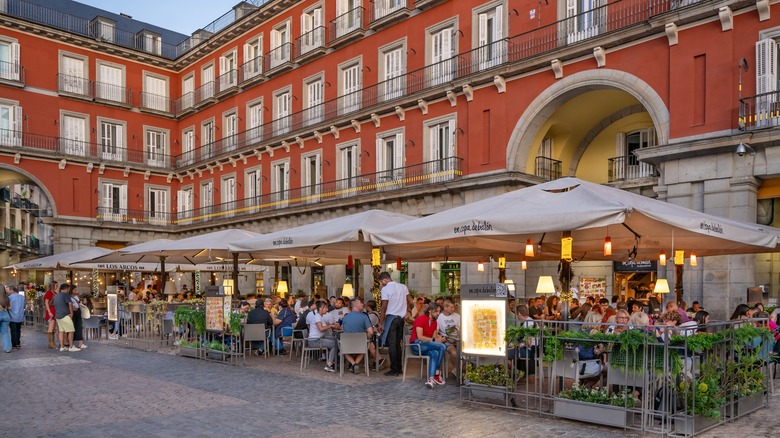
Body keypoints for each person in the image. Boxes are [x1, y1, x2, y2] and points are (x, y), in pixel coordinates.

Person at [378, 271, 412, 377]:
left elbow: (383, 307)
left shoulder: (385, 289)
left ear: (384, 280)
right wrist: (409, 310)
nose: (381, 284)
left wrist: (380, 323)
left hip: (391, 319)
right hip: (401, 319)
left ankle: (394, 369)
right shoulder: (403, 286)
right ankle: (399, 368)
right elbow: (411, 301)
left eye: (381, 282)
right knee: (398, 344)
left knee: (392, 345)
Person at [410, 302, 447, 389]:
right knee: (442, 347)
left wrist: (440, 338)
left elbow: (434, 337)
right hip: (416, 345)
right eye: (436, 311)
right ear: (430, 311)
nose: (438, 313)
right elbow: (420, 337)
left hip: (427, 345)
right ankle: (437, 374)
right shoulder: (421, 319)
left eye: (439, 311)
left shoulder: (435, 322)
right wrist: (435, 340)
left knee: (435, 353)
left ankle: (431, 379)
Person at [341, 298, 381, 374]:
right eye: (360, 303)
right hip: (360, 346)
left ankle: (353, 364)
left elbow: (344, 329)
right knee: (363, 350)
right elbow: (371, 332)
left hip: (347, 345)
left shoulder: (345, 318)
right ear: (355, 305)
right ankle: (355, 364)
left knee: (345, 352)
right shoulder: (364, 317)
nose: (363, 304)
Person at [307, 300, 339, 372]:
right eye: (326, 308)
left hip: (319, 338)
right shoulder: (317, 317)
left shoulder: (321, 317)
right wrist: (331, 325)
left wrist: (332, 325)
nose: (327, 310)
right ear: (321, 308)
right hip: (315, 341)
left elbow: (325, 326)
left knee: (336, 339)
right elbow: (321, 328)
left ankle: (333, 359)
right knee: (335, 344)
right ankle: (329, 364)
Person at [436, 299, 461, 378]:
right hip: (446, 340)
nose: (453, 309)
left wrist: (458, 336)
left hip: (458, 339)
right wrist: (443, 338)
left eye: (453, 307)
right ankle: (457, 371)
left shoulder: (457, 316)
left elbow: (461, 328)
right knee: (454, 353)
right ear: (445, 308)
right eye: (451, 307)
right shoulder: (439, 318)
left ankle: (457, 370)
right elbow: (436, 332)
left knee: (465, 355)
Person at [53, 283, 79, 352]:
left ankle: (62, 346)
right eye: (68, 289)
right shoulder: (66, 295)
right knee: (71, 330)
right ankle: (71, 346)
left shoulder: (56, 295)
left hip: (58, 315)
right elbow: (70, 304)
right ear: (67, 289)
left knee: (61, 331)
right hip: (65, 315)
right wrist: (71, 313)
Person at [8, 284, 25, 350]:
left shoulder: (10, 297)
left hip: (12, 316)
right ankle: (18, 343)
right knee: (18, 330)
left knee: (13, 331)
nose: (8, 292)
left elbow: (9, 307)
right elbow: (24, 306)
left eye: (8, 290)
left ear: (12, 290)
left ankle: (14, 344)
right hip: (20, 316)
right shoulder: (22, 297)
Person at [44, 281, 58, 349]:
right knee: (51, 327)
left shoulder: (54, 293)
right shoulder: (49, 292)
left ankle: (52, 342)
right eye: (56, 285)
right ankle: (51, 343)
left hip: (54, 310)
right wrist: (49, 311)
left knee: (53, 327)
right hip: (51, 310)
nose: (57, 286)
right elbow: (46, 302)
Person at [0, 283, 11, 353]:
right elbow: (10, 307)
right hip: (6, 315)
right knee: (5, 333)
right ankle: (7, 348)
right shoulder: (7, 297)